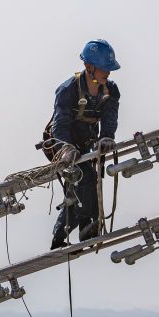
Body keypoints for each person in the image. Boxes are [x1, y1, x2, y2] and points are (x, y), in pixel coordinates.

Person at [49, 39, 121, 249]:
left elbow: (110, 116)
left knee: (82, 187)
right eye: (104, 68)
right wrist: (66, 149)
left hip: (85, 144)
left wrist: (107, 136)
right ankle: (85, 229)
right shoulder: (68, 90)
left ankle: (63, 238)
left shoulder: (110, 91)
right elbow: (59, 126)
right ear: (89, 67)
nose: (108, 73)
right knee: (84, 179)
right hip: (61, 144)